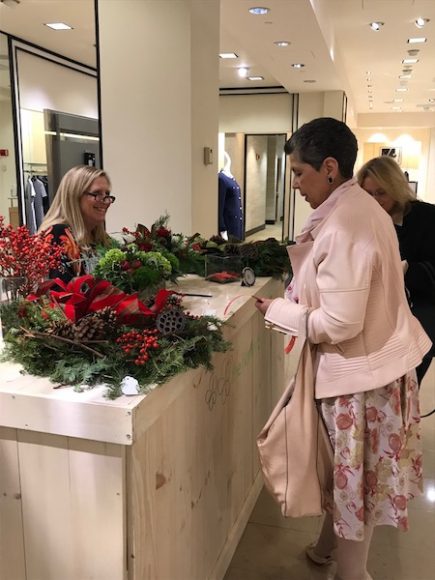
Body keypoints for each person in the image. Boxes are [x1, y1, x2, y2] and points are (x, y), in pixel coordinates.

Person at [254, 117, 431, 580]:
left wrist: (278, 310)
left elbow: (340, 322)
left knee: (356, 485)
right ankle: (325, 548)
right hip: (372, 372)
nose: (294, 184)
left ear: (329, 167)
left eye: (298, 172)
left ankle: (352, 573)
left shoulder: (348, 222)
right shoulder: (355, 209)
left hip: (361, 378)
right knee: (350, 477)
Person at [357, 155, 435, 384]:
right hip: (376, 321)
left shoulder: (427, 217)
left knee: (407, 386)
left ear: (396, 187)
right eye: (368, 194)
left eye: (381, 192)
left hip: (418, 317)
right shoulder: (362, 219)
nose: (374, 200)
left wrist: (404, 271)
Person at [38, 165, 114, 282]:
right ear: (74, 196)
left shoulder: (101, 239)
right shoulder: (58, 234)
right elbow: (60, 293)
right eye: (97, 194)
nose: (105, 201)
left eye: (107, 194)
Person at [218, 151, 243, 240]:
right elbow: (219, 205)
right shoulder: (221, 178)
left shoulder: (231, 177)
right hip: (228, 226)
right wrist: (222, 228)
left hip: (236, 224)